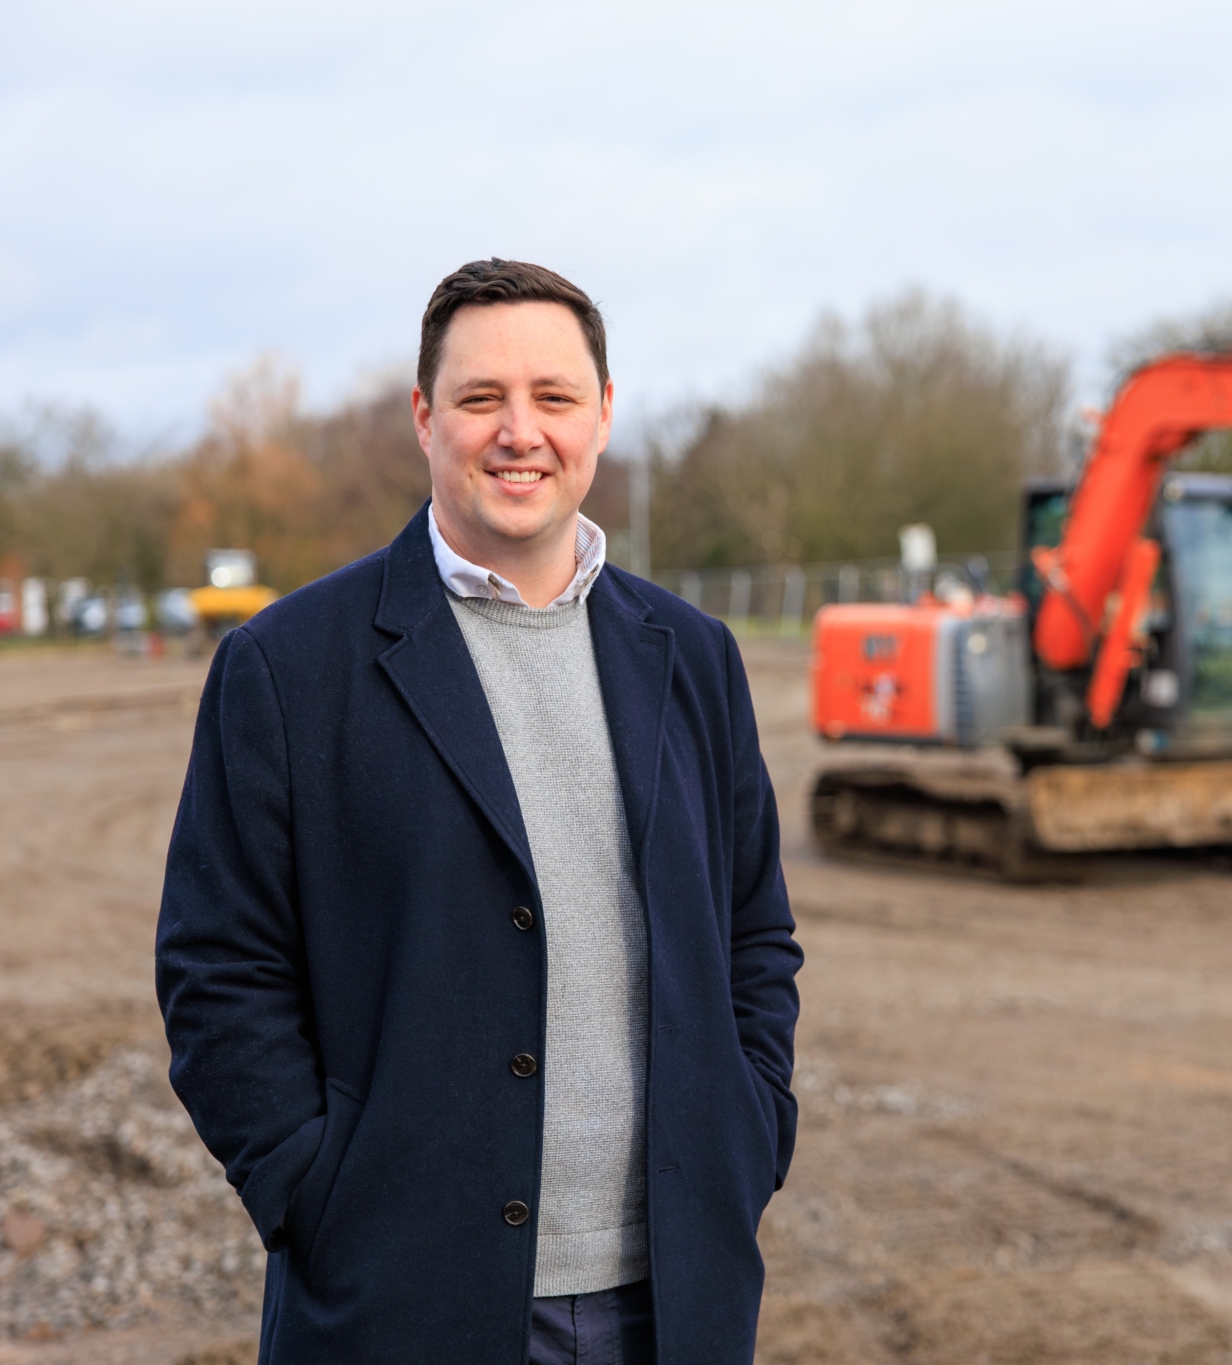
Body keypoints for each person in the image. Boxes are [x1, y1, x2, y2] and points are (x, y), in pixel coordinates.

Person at [157, 259, 802, 1364]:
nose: (519, 432)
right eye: (478, 400)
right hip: (403, 1299)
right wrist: (316, 1195)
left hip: (674, 1296)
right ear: (424, 418)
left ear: (602, 415)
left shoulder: (694, 657)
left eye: (553, 398)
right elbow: (218, 970)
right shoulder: (286, 666)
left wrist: (752, 1132)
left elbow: (754, 937)